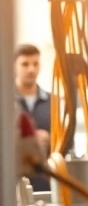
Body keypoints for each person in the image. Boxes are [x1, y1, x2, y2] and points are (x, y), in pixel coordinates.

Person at [14, 44, 54, 192]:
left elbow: (67, 143)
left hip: (46, 184)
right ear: (14, 67)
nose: (31, 69)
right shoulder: (4, 103)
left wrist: (49, 138)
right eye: (25, 64)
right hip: (12, 186)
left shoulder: (54, 103)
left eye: (35, 64)